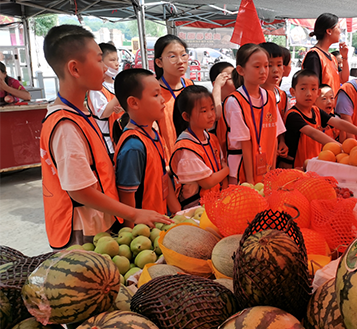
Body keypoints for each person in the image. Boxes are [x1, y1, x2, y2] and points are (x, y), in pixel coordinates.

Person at [40, 25, 171, 250]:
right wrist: (133, 213)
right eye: (99, 60)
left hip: (99, 224)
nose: (105, 68)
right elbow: (79, 191)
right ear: (75, 68)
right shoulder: (65, 125)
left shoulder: (82, 115)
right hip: (81, 232)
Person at [114, 69, 181, 218]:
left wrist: (178, 212)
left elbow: (163, 177)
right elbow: (127, 198)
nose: (162, 100)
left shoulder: (153, 134)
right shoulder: (133, 146)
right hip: (144, 231)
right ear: (134, 102)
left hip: (161, 218)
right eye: (156, 95)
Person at [222, 44, 288, 184]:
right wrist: (251, 182)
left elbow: (274, 137)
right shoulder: (235, 101)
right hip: (242, 171)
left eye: (266, 66)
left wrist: (273, 172)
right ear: (241, 70)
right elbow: (245, 144)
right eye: (257, 67)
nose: (264, 71)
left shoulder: (269, 97)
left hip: (267, 168)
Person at [280, 70, 357, 168]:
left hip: (311, 165)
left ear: (318, 92)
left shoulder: (316, 110)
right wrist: (344, 149)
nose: (309, 93)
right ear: (292, 92)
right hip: (294, 167)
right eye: (303, 88)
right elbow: (314, 134)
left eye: (313, 89)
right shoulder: (293, 115)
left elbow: (340, 123)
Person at [170, 86, 229, 208]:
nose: (211, 115)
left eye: (212, 109)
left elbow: (220, 167)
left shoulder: (211, 138)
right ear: (186, 116)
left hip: (215, 203)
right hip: (195, 209)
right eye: (204, 111)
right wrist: (227, 170)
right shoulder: (186, 147)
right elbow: (208, 182)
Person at [154, 35, 194, 158]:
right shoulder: (154, 91)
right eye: (172, 56)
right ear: (159, 62)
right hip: (168, 161)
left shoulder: (190, 85)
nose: (180, 61)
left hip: (193, 156)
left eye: (183, 55)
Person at [87, 43, 123, 155]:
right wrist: (121, 95)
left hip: (122, 137)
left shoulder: (118, 84)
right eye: (112, 60)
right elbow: (104, 113)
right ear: (100, 62)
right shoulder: (96, 88)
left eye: (117, 59)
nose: (117, 64)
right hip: (107, 144)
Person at [302, 13, 349, 93]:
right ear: (329, 31)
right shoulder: (314, 55)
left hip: (331, 104)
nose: (340, 31)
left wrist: (345, 58)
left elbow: (343, 79)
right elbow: (312, 88)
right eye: (338, 28)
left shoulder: (332, 57)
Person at [260, 42, 288, 119]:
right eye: (269, 65)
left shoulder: (282, 96)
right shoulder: (253, 96)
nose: (275, 70)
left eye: (279, 65)